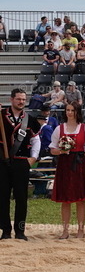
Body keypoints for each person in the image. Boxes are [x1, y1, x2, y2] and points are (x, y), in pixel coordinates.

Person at [0, 89, 41, 240]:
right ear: (11, 100)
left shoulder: (30, 120)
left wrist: (33, 158)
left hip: (22, 162)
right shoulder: (1, 116)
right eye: (18, 99)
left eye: (23, 99)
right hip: (2, 163)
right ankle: (5, 230)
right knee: (2, 197)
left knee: (21, 198)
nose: (21, 102)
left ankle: (20, 231)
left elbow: (36, 140)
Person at [49, 102, 85, 239]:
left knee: (80, 199)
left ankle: (81, 230)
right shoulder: (59, 128)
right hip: (64, 164)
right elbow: (52, 149)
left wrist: (83, 158)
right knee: (65, 199)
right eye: (67, 110)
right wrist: (62, 151)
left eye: (72, 110)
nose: (69, 113)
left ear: (77, 112)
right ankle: (65, 230)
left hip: (78, 165)